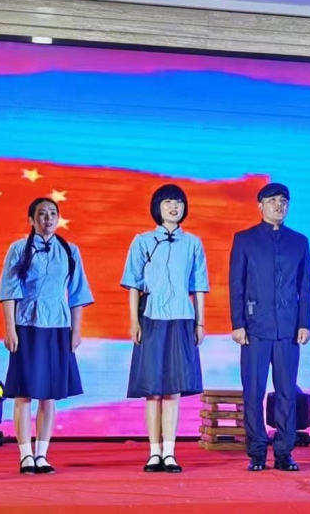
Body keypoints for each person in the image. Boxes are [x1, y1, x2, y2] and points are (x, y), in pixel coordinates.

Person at [0, 197, 94, 474]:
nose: (48, 218)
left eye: (53, 213)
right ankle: (25, 455)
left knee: (49, 394)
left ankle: (41, 454)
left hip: (58, 327)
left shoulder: (70, 251)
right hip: (27, 325)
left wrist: (76, 330)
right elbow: (9, 291)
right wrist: (10, 328)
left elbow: (78, 293)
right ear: (31, 220)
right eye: (42, 214)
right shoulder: (19, 249)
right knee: (24, 393)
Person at [122, 184, 208, 474]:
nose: (174, 207)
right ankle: (154, 452)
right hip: (151, 318)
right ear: (157, 207)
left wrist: (199, 322)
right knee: (153, 390)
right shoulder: (143, 241)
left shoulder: (193, 243)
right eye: (168, 202)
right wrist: (134, 321)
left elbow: (198, 286)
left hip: (182, 319)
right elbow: (133, 284)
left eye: (179, 202)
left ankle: (170, 452)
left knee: (173, 389)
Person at [228, 182, 310, 472]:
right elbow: (236, 284)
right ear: (260, 205)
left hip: (288, 328)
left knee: (287, 392)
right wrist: (238, 323)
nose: (279, 205)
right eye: (273, 200)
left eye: (284, 201)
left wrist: (304, 323)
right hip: (254, 328)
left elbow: (305, 286)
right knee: (253, 391)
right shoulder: (245, 239)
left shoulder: (299, 242)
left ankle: (284, 451)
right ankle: (257, 452)